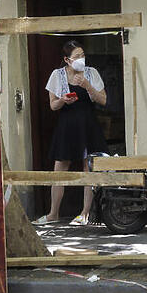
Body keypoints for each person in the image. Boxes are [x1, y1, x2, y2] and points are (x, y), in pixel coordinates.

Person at [34, 40, 108, 226]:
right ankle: (53, 214)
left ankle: (85, 213)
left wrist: (87, 86)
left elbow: (103, 100)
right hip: (67, 124)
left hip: (88, 123)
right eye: (77, 57)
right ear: (67, 60)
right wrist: (63, 100)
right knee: (60, 168)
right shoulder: (57, 75)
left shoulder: (91, 73)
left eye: (83, 55)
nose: (81, 59)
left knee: (88, 167)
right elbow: (52, 105)